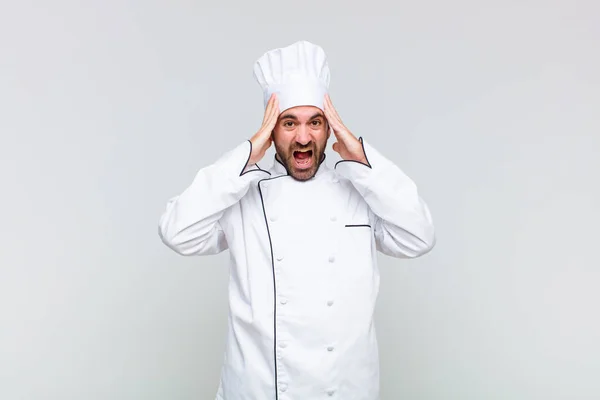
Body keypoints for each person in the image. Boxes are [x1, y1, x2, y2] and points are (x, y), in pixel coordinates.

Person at [158, 40, 435, 400]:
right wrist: (246, 153)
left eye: (315, 123)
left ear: (328, 129)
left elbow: (419, 236)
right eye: (289, 123)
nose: (303, 137)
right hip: (261, 391)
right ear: (271, 131)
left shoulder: (359, 192)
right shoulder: (242, 194)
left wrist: (363, 158)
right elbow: (176, 231)